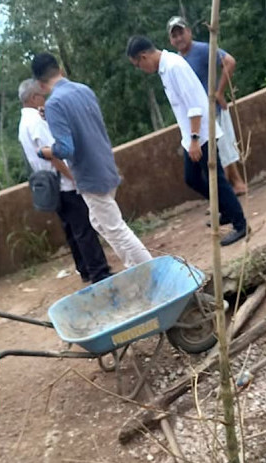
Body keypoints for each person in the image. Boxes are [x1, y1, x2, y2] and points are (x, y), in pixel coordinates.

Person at [30, 53, 153, 270]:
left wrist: (45, 152)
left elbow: (66, 148)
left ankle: (151, 271)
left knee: (116, 229)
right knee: (99, 222)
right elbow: (83, 124)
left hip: (89, 173)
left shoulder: (55, 103)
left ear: (40, 84)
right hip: (106, 164)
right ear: (60, 70)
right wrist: (52, 117)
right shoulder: (83, 90)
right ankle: (139, 269)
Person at [126, 35, 248, 247]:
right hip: (191, 135)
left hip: (200, 134)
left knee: (217, 179)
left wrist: (194, 139)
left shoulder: (173, 67)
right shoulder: (166, 68)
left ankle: (240, 223)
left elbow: (194, 105)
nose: (141, 69)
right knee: (191, 178)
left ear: (143, 57)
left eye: (138, 65)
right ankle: (227, 209)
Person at [17, 78, 112, 283]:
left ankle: (85, 269)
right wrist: (73, 177)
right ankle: (98, 271)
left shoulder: (24, 123)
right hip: (63, 181)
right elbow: (54, 154)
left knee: (71, 229)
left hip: (50, 183)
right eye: (42, 96)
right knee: (83, 228)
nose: (45, 100)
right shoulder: (35, 123)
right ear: (34, 98)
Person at [167, 15, 248, 196]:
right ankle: (230, 190)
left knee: (221, 152)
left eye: (181, 33)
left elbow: (229, 61)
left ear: (189, 32)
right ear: (171, 40)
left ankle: (231, 189)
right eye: (175, 36)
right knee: (218, 154)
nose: (179, 38)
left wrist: (219, 92)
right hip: (198, 117)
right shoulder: (177, 62)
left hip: (211, 110)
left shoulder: (202, 50)